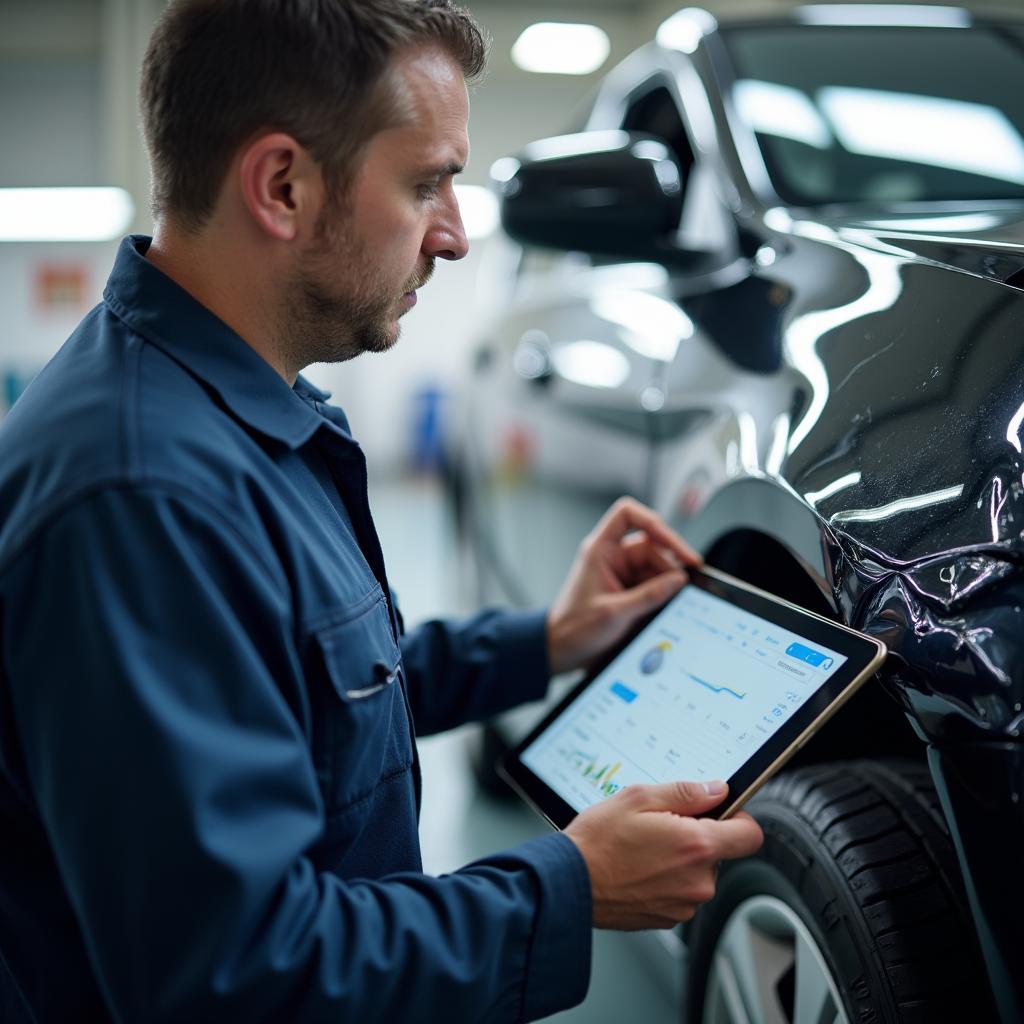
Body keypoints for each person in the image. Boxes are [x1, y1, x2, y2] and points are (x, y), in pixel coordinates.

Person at [0, 1, 763, 1021]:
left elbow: (312, 706)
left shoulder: (228, 419)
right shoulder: (142, 498)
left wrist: (545, 640)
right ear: (283, 186)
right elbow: (236, 976)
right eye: (426, 183)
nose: (452, 236)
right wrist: (568, 889)